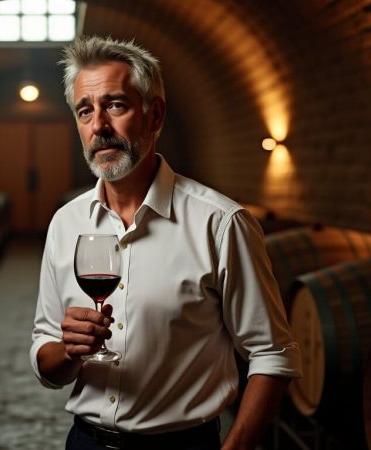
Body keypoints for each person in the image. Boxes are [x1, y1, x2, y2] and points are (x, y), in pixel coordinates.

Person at [30, 35, 302, 450]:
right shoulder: (66, 223)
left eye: (116, 105)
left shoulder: (220, 223)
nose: (99, 126)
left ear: (154, 115)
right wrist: (69, 352)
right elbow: (47, 360)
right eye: (85, 111)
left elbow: (272, 354)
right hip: (84, 442)